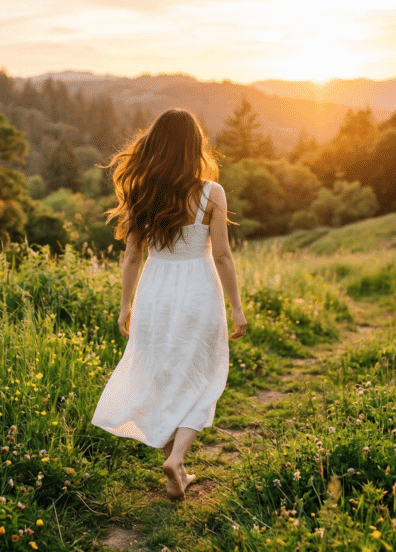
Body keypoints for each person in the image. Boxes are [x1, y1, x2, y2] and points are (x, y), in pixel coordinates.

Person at [91, 108, 248, 501]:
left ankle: (172, 467)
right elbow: (224, 257)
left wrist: (125, 305)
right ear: (195, 147)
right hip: (198, 289)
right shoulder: (213, 193)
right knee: (204, 376)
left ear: (155, 145)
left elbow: (131, 257)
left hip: (155, 291)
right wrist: (237, 307)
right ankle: (177, 460)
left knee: (160, 375)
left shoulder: (143, 190)